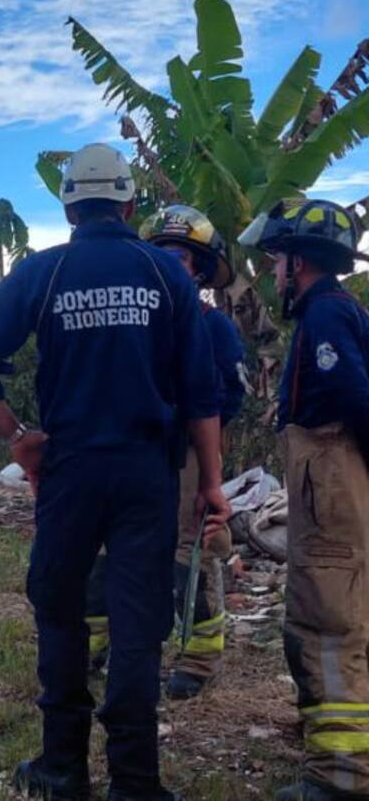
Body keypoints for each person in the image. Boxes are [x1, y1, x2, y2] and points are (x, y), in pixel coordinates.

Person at [0, 144, 229, 801]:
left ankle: (62, 769)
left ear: (70, 206)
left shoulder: (45, 272)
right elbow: (201, 391)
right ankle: (135, 783)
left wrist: (18, 438)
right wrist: (213, 483)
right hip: (146, 474)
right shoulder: (165, 275)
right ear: (131, 205)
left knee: (60, 610)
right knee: (137, 624)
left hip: (70, 471)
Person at [85, 205, 246, 699]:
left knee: (191, 552)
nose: (170, 266)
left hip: (190, 451)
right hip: (134, 449)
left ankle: (198, 659)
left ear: (197, 268)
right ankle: (97, 644)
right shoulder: (131, 321)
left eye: (180, 258)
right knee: (108, 547)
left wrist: (200, 447)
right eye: (161, 257)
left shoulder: (212, 326)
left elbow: (229, 398)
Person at [239, 199, 369, 801]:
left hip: (332, 485)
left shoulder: (326, 320)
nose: (271, 273)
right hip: (328, 484)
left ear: (300, 261)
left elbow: (353, 401)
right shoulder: (331, 312)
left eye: (276, 261)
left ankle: (342, 778)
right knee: (328, 609)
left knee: (329, 620)